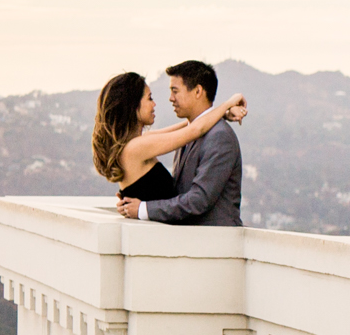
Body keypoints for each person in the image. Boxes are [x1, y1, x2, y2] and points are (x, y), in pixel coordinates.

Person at [93, 61, 245, 225]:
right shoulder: (138, 147)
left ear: (198, 91)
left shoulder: (138, 142)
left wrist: (221, 115)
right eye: (149, 98)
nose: (157, 103)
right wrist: (229, 103)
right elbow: (194, 131)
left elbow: (188, 129)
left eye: (175, 91)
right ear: (133, 105)